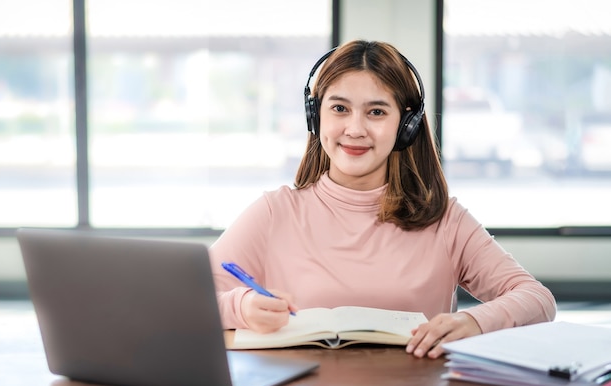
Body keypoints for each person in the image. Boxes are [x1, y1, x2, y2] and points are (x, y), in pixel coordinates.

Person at [208, 39, 556, 359]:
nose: (355, 129)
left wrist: (475, 322)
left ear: (405, 125)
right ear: (316, 117)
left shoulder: (445, 219)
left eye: (376, 112)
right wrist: (242, 306)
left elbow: (538, 299)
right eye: (340, 108)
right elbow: (186, 301)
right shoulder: (274, 212)